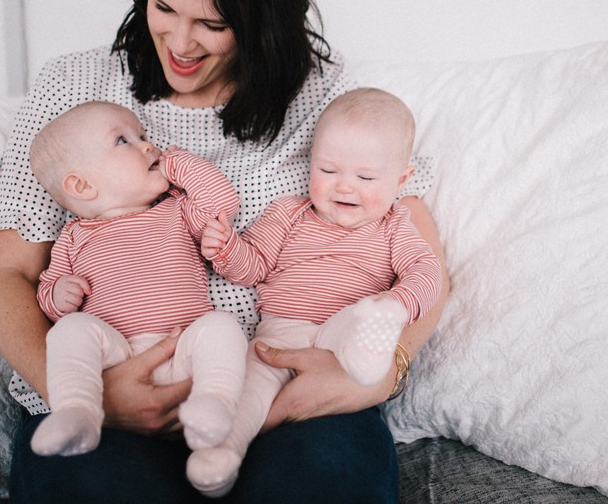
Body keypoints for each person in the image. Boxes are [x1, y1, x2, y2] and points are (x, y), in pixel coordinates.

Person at [0, 0, 449, 503]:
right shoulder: (75, 86)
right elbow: (5, 275)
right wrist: (87, 396)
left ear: (261, 17)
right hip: (110, 387)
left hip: (286, 391)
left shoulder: (327, 99)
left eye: (212, 24)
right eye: (163, 8)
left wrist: (378, 377)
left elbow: (421, 259)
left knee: (325, 485)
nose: (181, 43)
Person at [189, 87, 442, 496]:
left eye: (365, 177)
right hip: (279, 333)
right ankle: (224, 454)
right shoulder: (288, 213)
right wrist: (226, 248)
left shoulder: (395, 226)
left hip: (340, 339)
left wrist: (396, 303)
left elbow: (426, 272)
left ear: (401, 179)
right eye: (328, 170)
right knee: (247, 394)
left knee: (359, 324)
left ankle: (369, 349)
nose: (344, 187)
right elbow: (253, 266)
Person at [25, 100, 246, 459]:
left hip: (184, 348)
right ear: (81, 185)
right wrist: (58, 295)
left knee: (223, 326)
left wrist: (177, 162)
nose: (147, 144)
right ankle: (77, 409)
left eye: (143, 135)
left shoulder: (174, 209)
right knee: (70, 330)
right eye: (122, 140)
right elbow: (47, 291)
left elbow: (222, 202)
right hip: (116, 356)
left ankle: (214, 402)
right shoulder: (73, 236)